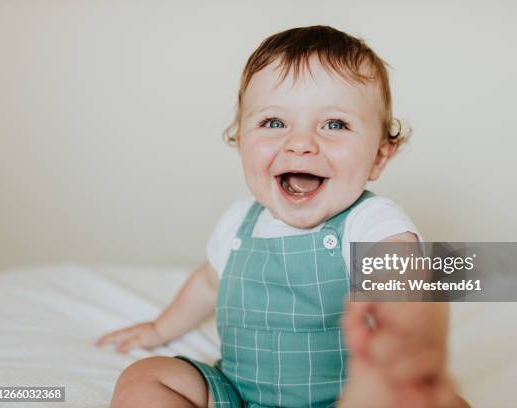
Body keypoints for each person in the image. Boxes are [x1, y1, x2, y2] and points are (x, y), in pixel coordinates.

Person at [96, 25, 468, 408]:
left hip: (349, 399)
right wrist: (160, 329)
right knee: (146, 377)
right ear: (241, 142)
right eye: (274, 123)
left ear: (378, 156)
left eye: (334, 124)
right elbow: (207, 285)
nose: (301, 143)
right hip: (239, 395)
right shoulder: (238, 223)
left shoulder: (368, 220)